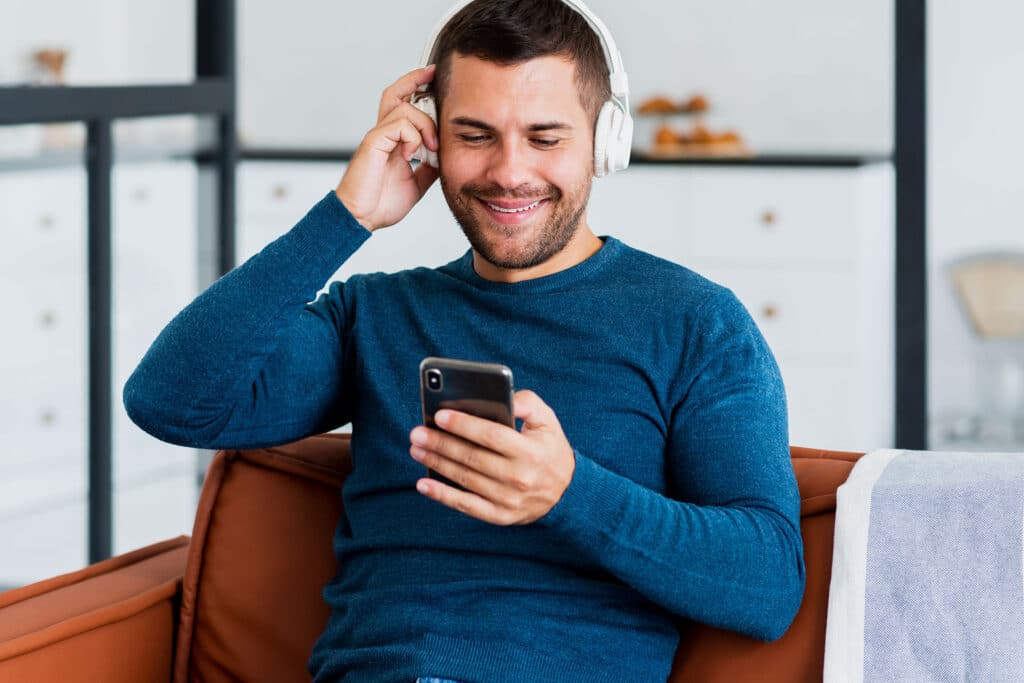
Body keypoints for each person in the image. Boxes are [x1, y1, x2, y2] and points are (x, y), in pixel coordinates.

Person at [123, 0, 805, 681]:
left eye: (545, 138)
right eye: (475, 135)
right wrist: (346, 217)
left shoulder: (698, 324)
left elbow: (769, 584)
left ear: (604, 143)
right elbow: (171, 400)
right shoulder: (375, 313)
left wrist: (568, 493)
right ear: (430, 136)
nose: (510, 172)